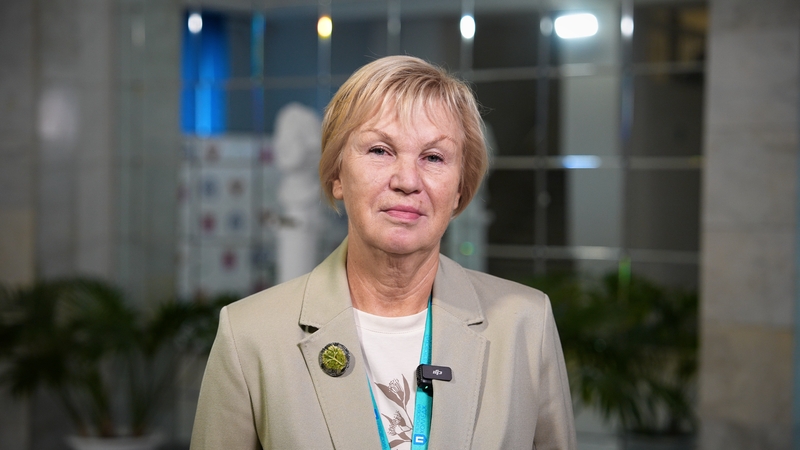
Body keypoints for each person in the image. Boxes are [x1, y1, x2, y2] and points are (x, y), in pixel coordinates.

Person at [190, 55, 576, 450]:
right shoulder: (250, 336)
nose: (407, 180)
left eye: (433, 157)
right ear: (337, 175)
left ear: (460, 188)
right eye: (380, 150)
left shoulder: (526, 326)